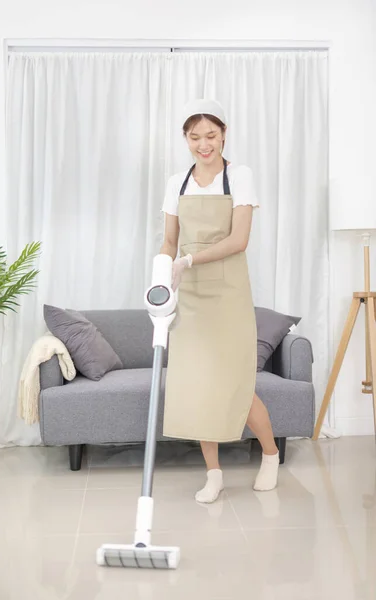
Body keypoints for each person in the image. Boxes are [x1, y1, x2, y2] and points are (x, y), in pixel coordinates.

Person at [159, 99, 280, 504]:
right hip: (188, 294)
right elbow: (169, 242)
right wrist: (162, 275)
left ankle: (270, 454)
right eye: (195, 137)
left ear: (224, 134)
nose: (203, 144)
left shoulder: (239, 176)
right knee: (197, 385)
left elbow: (238, 240)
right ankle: (214, 474)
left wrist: (188, 260)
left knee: (234, 384)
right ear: (185, 139)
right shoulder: (177, 182)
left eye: (210, 135)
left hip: (227, 292)